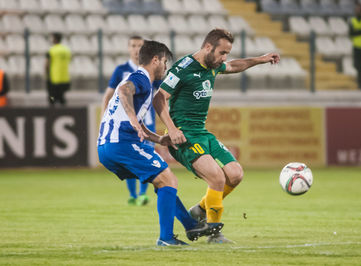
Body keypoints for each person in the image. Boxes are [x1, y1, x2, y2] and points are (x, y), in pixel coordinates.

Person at [153, 28, 280, 243]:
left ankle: (199, 210)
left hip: (202, 133)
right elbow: (159, 98)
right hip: (183, 136)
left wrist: (261, 59)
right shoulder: (183, 68)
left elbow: (233, 66)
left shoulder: (213, 64)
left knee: (235, 174)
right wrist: (172, 130)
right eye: (222, 53)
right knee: (217, 177)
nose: (224, 58)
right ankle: (214, 233)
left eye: (227, 53)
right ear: (208, 47)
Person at [97, 40, 223, 246]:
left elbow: (134, 118)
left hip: (108, 147)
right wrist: (133, 120)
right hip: (121, 144)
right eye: (164, 61)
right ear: (155, 60)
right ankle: (166, 238)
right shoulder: (141, 79)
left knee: (162, 181)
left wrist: (158, 139)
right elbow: (124, 92)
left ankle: (191, 225)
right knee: (169, 180)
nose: (166, 67)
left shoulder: (141, 80)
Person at [101, 35, 153, 206]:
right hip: (124, 122)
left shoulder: (151, 71)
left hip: (146, 120)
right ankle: (133, 194)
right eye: (133, 45)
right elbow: (108, 96)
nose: (136, 49)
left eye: (139, 45)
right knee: (129, 156)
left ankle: (143, 194)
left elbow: (160, 95)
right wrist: (104, 118)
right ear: (128, 48)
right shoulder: (121, 70)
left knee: (146, 154)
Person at [45, 32, 71, 105]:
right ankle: (64, 110)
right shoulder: (66, 50)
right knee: (61, 97)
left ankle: (52, 113)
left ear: (55, 39)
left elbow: (47, 64)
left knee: (52, 98)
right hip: (65, 78)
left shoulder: (52, 50)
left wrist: (46, 76)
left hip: (54, 79)